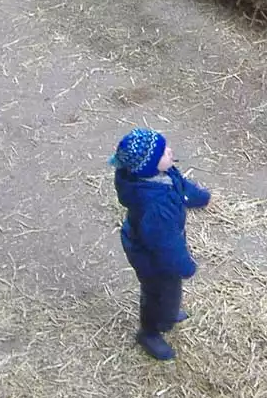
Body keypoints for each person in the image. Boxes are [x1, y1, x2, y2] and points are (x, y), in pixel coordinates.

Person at [111, 127, 211, 361]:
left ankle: (168, 310)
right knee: (158, 294)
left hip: (158, 247)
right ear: (150, 166)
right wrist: (185, 266)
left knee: (169, 293)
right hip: (152, 259)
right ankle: (150, 332)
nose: (170, 151)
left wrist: (201, 197)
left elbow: (181, 187)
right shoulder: (154, 208)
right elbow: (165, 245)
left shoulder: (161, 176)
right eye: (164, 153)